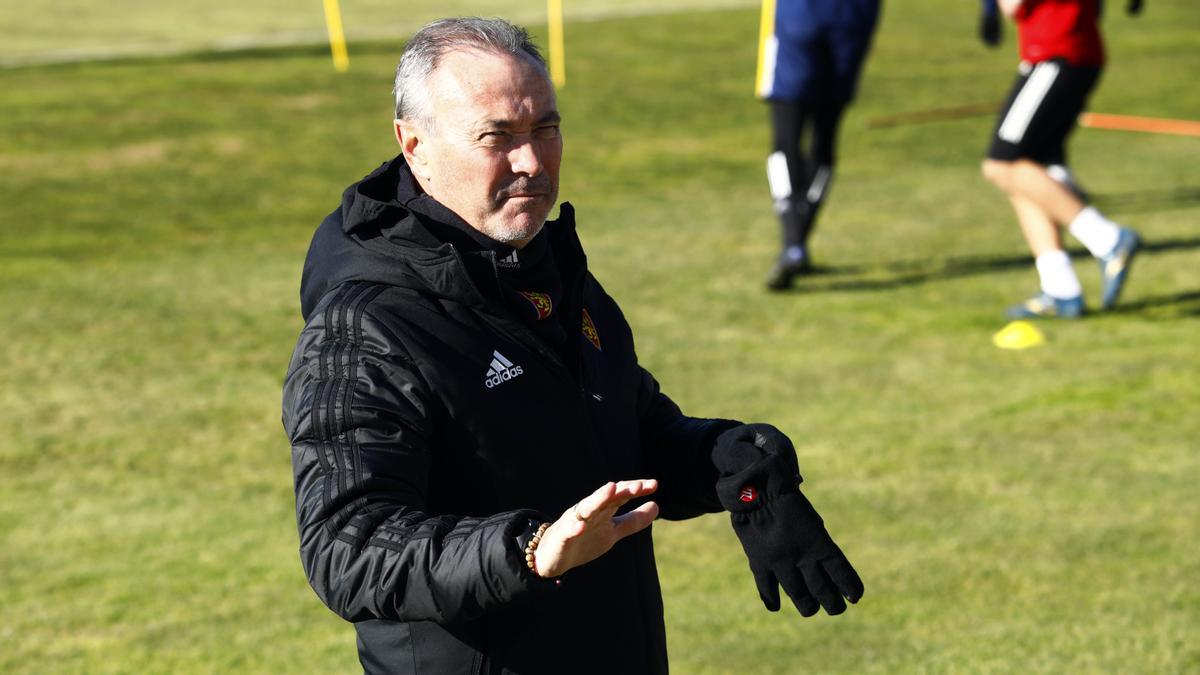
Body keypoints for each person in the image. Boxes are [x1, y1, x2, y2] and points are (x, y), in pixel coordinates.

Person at [281, 17, 864, 674]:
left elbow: (624, 435)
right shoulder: (367, 325)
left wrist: (731, 462)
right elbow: (348, 546)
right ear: (414, 144)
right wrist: (530, 550)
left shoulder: (546, 266)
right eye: (496, 137)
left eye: (545, 130)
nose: (531, 162)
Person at [981, 0, 1144, 318]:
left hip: (1055, 52)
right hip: (1076, 51)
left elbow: (1011, 6)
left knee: (1001, 165)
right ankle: (1060, 289)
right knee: (1028, 169)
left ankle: (1108, 239)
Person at [756, 0, 882, 290]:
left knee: (786, 135)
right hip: (854, 18)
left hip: (799, 16)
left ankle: (792, 242)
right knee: (825, 135)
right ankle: (799, 242)